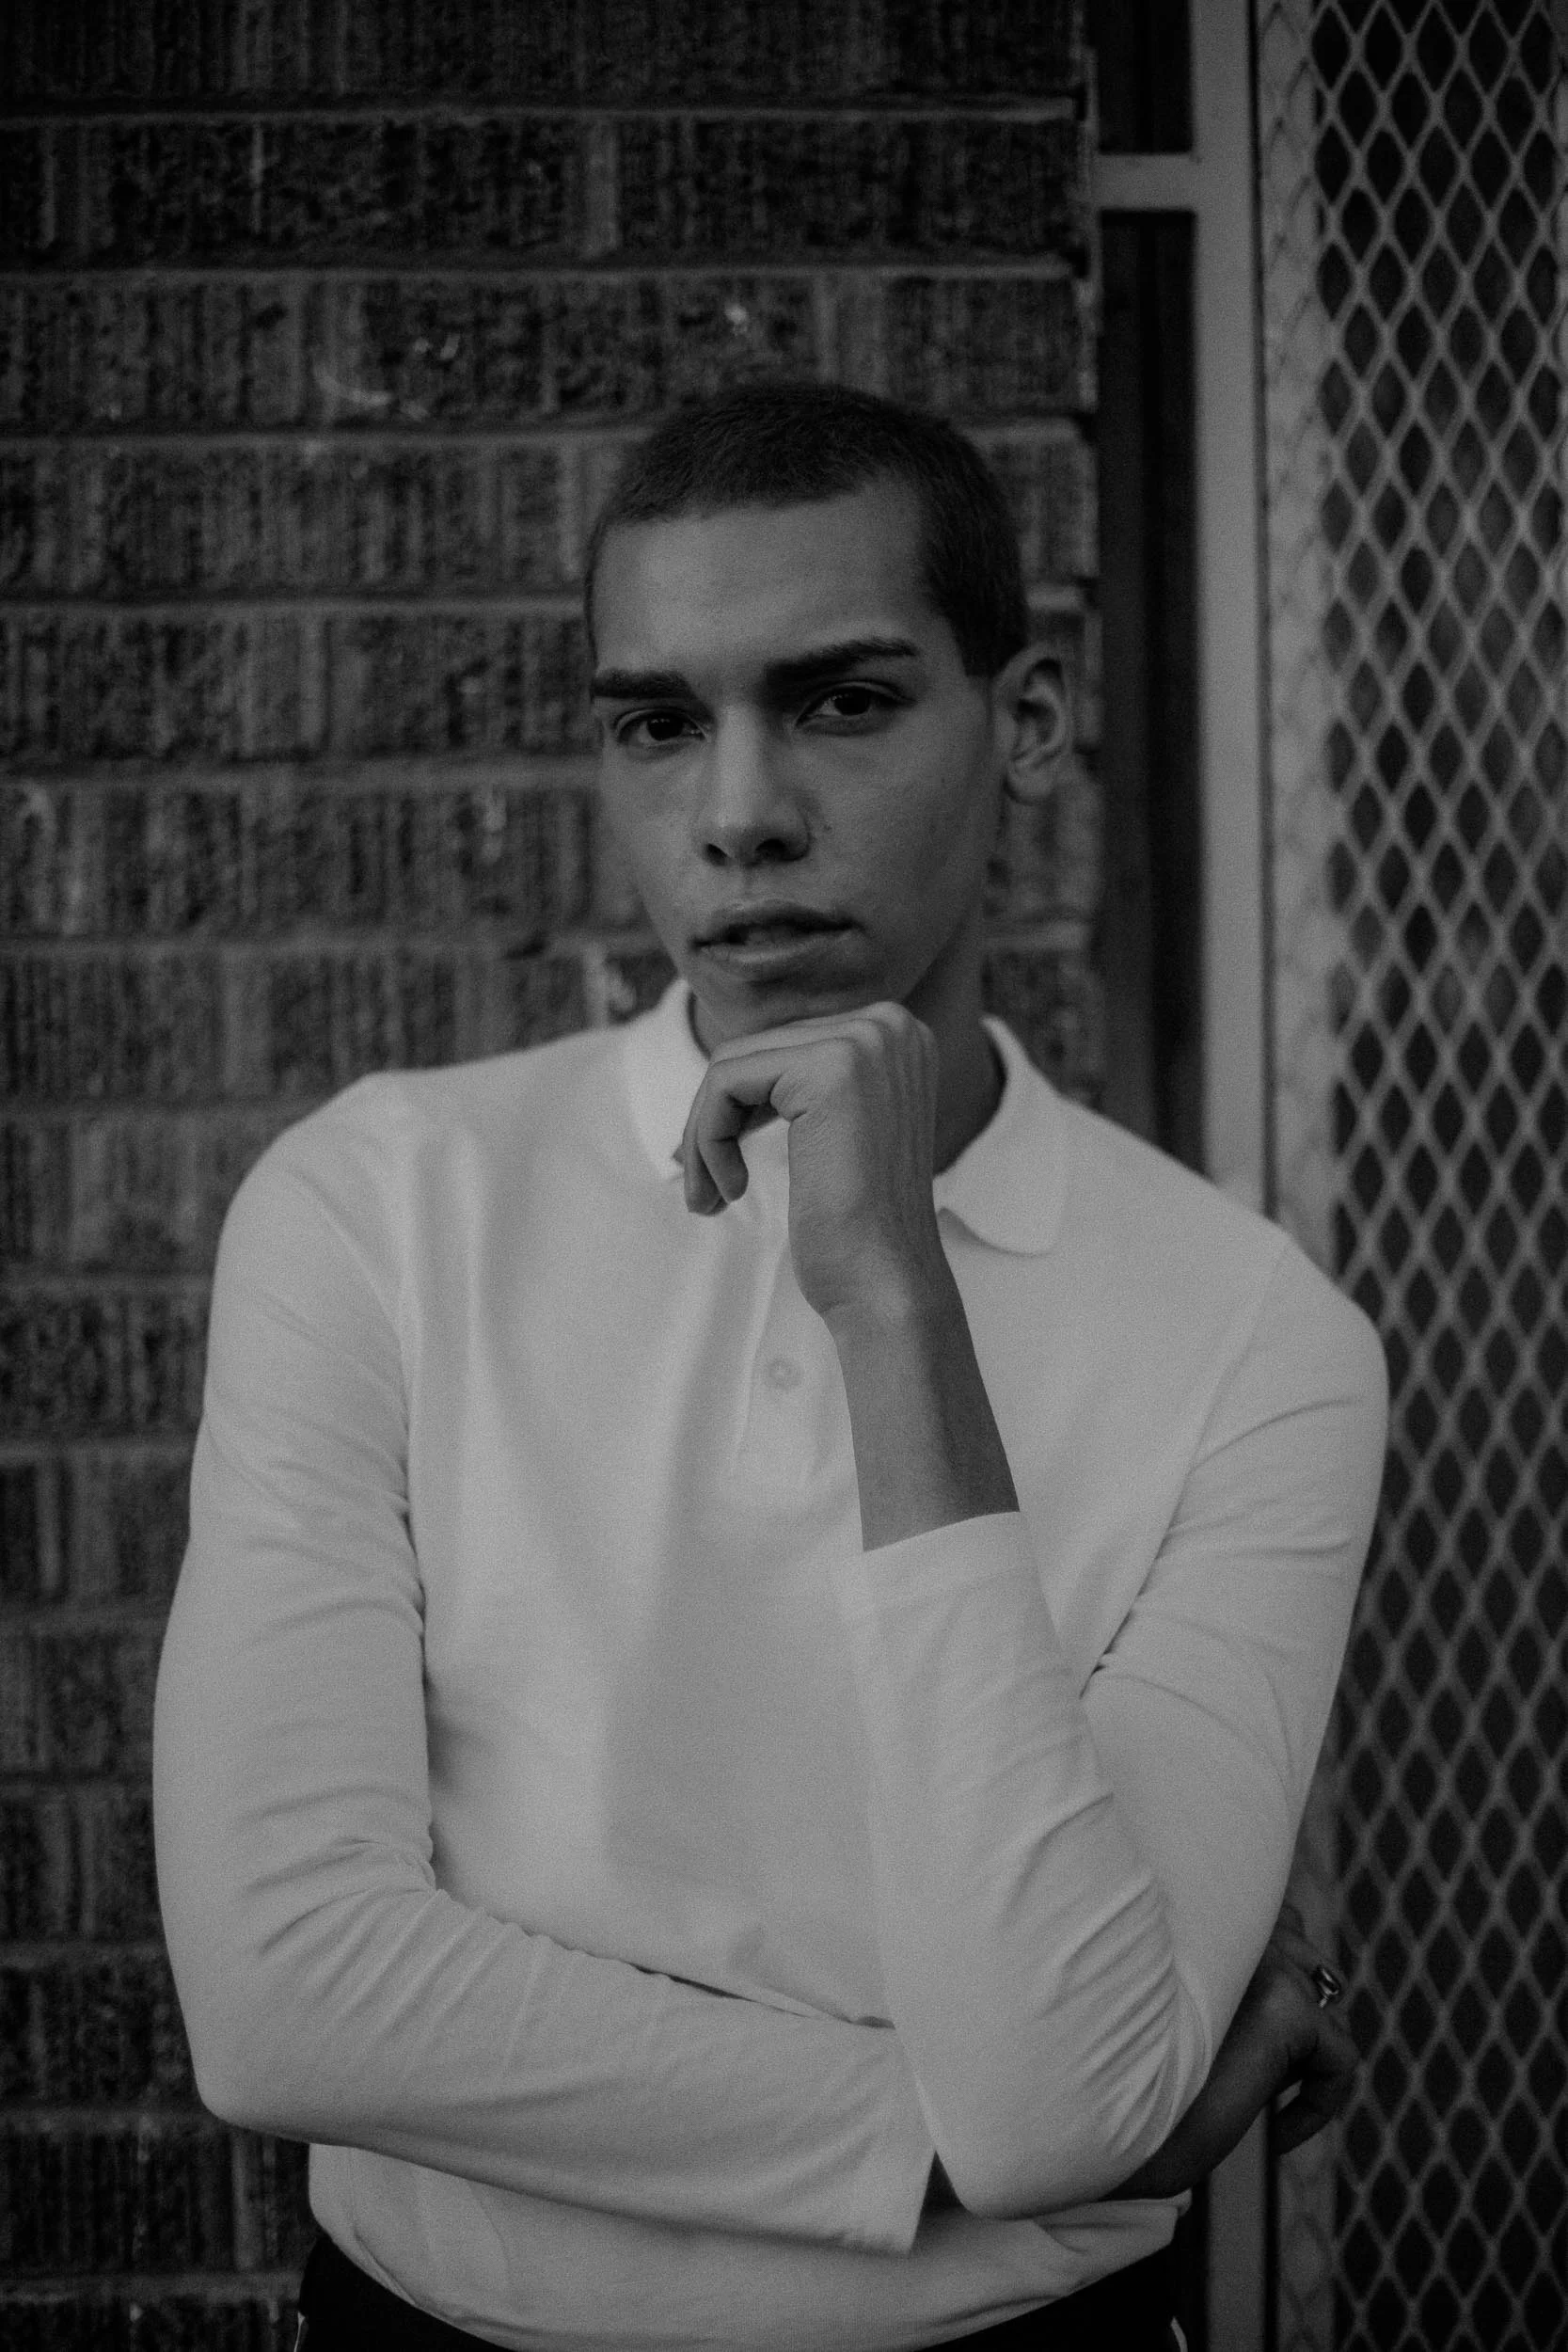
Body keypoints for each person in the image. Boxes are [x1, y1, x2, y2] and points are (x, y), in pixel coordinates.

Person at [153, 382, 1385, 2351]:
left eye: (841, 700)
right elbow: (284, 1994)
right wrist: (954, 2149)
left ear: (1028, 720)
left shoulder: (1255, 1337)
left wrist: (893, 1296)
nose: (736, 810)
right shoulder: (381, 1201)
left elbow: (1062, 2094)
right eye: (657, 722)